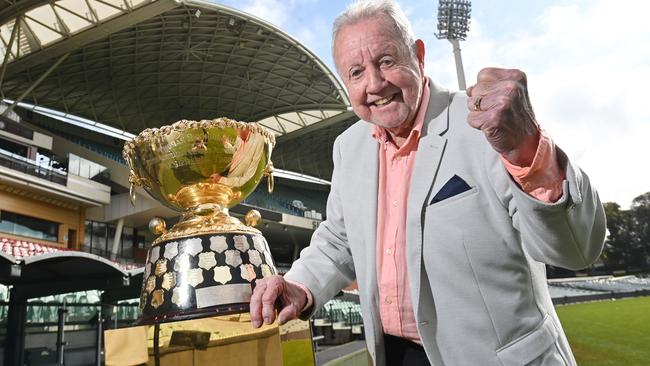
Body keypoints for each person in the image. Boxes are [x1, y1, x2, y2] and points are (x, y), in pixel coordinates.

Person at [249, 1, 606, 365]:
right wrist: (300, 284)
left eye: (386, 61)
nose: (374, 84)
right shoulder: (348, 147)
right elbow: (340, 239)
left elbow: (577, 251)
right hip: (395, 356)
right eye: (356, 72)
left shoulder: (488, 124)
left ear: (419, 55)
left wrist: (529, 151)